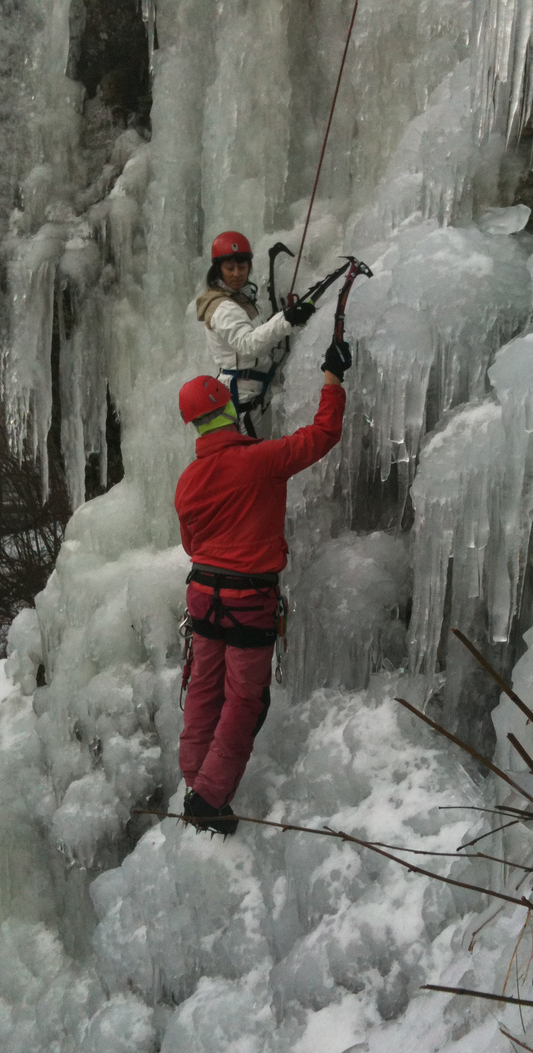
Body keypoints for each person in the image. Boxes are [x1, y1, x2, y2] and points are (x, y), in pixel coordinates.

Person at [174, 340, 353, 835]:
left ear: (193, 423)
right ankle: (209, 799)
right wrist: (333, 380)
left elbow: (193, 543)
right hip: (249, 600)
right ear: (228, 408)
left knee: (204, 688)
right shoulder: (262, 459)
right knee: (243, 700)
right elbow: (323, 434)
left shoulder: (188, 481)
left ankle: (196, 777)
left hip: (203, 595)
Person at [196, 231, 316, 437]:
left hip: (254, 395)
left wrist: (288, 318)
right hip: (243, 401)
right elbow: (248, 345)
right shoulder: (222, 306)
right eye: (229, 268)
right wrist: (285, 320)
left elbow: (257, 333)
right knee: (252, 462)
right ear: (218, 270)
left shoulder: (239, 298)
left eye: (242, 267)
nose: (236, 274)